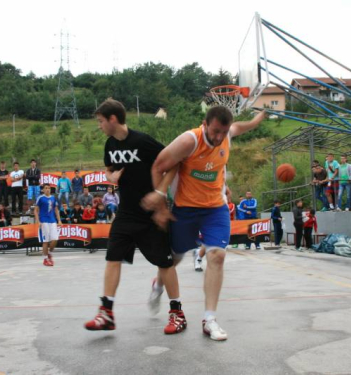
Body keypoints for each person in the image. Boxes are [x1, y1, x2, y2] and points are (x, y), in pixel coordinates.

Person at [143, 106, 266, 341]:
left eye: (224, 132)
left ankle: (209, 319)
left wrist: (259, 117)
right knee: (175, 258)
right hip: (185, 208)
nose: (220, 137)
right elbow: (158, 166)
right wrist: (160, 207)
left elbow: (245, 125)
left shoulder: (228, 134)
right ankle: (158, 284)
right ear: (205, 124)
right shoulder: (189, 141)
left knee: (217, 256)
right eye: (216, 131)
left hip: (215, 209)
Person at [84, 99, 186, 335]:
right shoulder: (110, 145)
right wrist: (110, 177)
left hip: (152, 215)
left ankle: (177, 313)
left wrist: (160, 193)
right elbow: (108, 169)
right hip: (126, 212)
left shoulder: (143, 142)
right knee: (112, 257)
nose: (99, 126)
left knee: (165, 263)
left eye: (100, 121)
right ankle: (106, 313)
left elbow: (174, 164)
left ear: (113, 119)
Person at [34, 184, 62, 267]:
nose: (47, 189)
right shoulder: (40, 198)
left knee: (55, 239)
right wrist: (38, 221)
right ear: (43, 190)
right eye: (46, 188)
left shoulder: (53, 198)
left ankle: (49, 253)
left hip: (52, 220)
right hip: (44, 220)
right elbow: (36, 210)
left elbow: (56, 209)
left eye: (49, 188)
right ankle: (45, 259)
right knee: (45, 241)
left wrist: (59, 220)